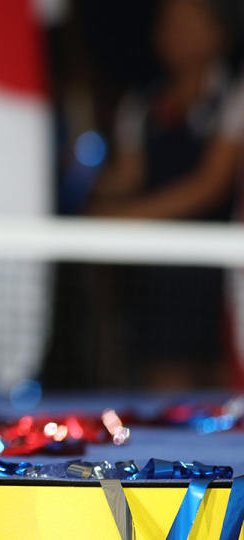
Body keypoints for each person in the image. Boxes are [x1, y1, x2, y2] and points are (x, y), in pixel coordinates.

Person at [87, 0, 244, 387]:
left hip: (221, 277)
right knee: (166, 389)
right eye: (168, 22)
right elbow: (128, 176)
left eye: (188, 22)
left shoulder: (234, 98)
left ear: (218, 32)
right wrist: (95, 193)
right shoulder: (141, 106)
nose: (174, 33)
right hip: (160, 282)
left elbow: (210, 185)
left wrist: (122, 218)